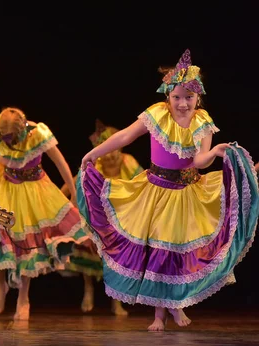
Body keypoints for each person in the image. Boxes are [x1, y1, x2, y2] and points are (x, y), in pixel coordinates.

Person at [77, 49, 258, 331]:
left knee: (177, 253)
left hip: (187, 192)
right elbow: (125, 135)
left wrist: (217, 153)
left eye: (189, 97)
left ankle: (176, 306)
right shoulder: (156, 114)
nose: (183, 103)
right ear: (167, 96)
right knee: (157, 250)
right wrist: (94, 153)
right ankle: (159, 315)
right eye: (177, 97)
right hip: (155, 190)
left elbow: (199, 159)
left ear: (199, 97)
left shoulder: (202, 121)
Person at [0, 107, 90, 320]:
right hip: (5, 186)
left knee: (26, 243)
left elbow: (61, 164)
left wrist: (73, 194)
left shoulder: (37, 134)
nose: (9, 143)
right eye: (4, 138)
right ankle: (0, 287)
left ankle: (23, 298)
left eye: (12, 138)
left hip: (34, 189)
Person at [60, 119, 143, 316]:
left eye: (116, 149)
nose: (113, 155)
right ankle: (88, 290)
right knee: (90, 249)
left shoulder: (128, 162)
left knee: (116, 261)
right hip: (96, 219)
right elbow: (71, 184)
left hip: (121, 221)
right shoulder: (95, 166)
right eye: (109, 150)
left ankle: (116, 302)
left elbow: (142, 184)